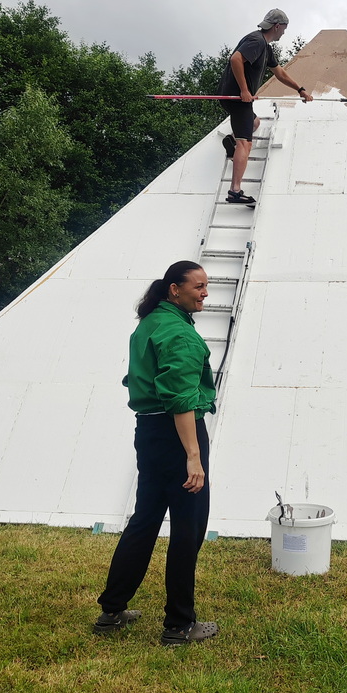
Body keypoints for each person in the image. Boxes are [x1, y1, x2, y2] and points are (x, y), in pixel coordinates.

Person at [93, 261, 218, 646]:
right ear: (174, 290)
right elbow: (180, 399)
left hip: (148, 432)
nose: (205, 293)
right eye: (198, 286)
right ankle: (180, 625)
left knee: (145, 520)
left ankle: (112, 611)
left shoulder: (149, 323)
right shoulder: (178, 332)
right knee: (187, 527)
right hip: (177, 433)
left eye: (206, 286)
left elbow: (137, 376)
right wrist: (193, 456)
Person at [217, 9, 313, 205]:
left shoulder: (266, 49)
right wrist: (244, 90)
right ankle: (235, 191)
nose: (284, 33)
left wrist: (300, 89)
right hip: (238, 98)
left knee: (255, 123)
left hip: (236, 98)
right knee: (246, 143)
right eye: (284, 29)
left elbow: (280, 73)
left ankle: (231, 140)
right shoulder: (257, 41)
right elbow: (235, 59)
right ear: (277, 26)